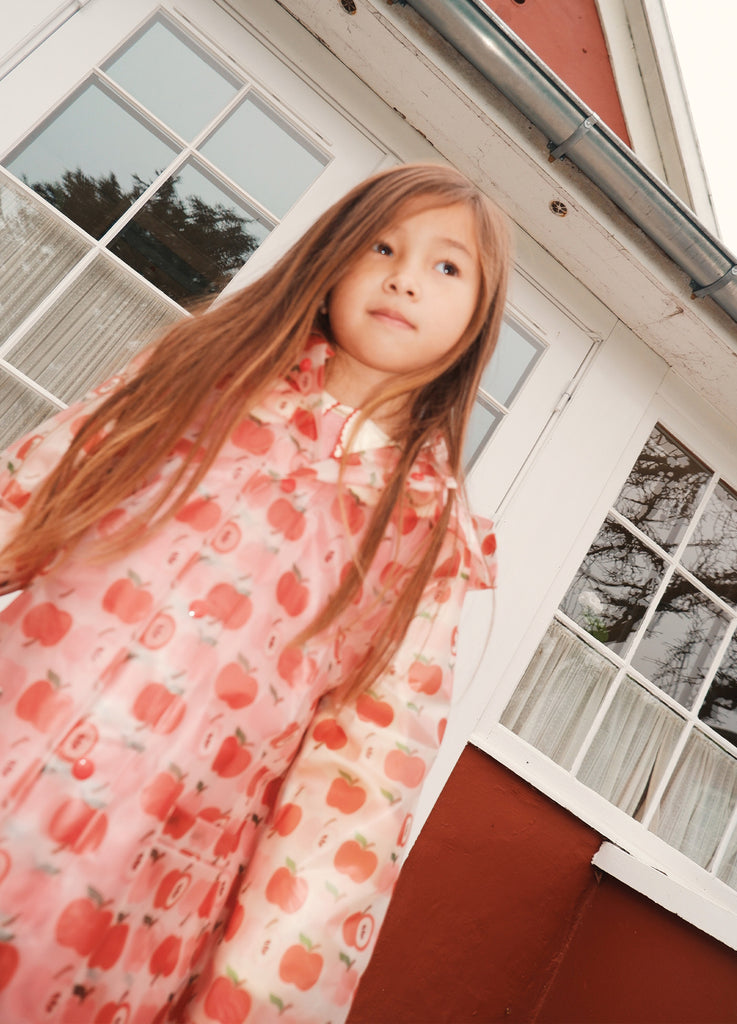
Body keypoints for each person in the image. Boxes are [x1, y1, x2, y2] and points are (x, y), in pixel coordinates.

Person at [0, 162, 510, 1022]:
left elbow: (360, 782)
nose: (403, 276)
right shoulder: (206, 378)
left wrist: (261, 996)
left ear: (479, 317)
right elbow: (33, 494)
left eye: (445, 266)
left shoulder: (427, 536)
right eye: (383, 246)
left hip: (141, 886)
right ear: (335, 261)